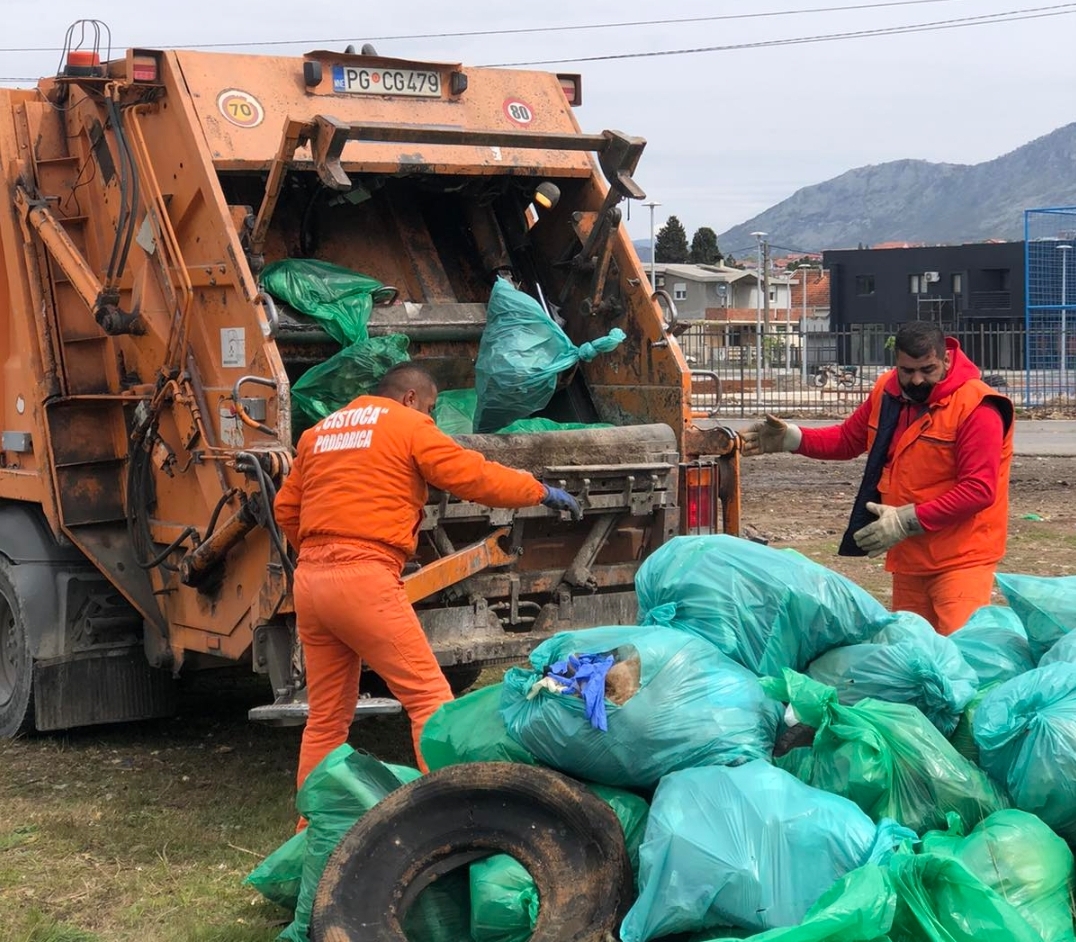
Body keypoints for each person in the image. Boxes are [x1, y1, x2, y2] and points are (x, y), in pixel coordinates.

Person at [274, 363, 582, 795]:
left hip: (311, 582)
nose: (433, 419)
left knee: (326, 718)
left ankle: (312, 826)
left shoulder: (319, 432)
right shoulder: (408, 426)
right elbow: (472, 476)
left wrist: (318, 553)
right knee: (429, 701)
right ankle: (449, 813)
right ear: (410, 398)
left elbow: (286, 510)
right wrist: (539, 491)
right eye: (432, 408)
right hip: (365, 577)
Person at [740, 321, 1014, 636]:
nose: (917, 379)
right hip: (910, 553)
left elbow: (978, 491)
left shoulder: (977, 407)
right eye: (907, 370)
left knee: (961, 653)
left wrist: (906, 520)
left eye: (928, 369)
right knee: (916, 653)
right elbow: (847, 440)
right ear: (896, 363)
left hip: (961, 557)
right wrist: (792, 438)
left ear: (947, 360)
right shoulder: (889, 391)